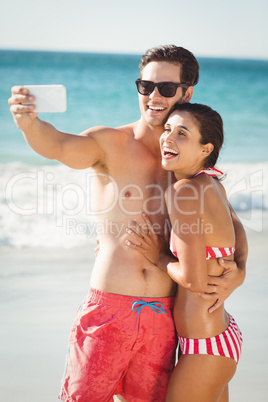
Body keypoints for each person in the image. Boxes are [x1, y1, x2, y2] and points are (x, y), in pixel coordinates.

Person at [8, 45, 247, 402]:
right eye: (145, 86)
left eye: (166, 88)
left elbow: (232, 222)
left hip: (164, 318)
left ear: (187, 92)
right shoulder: (111, 143)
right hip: (110, 312)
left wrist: (240, 269)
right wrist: (30, 123)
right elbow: (57, 144)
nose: (154, 96)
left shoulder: (189, 167)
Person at [126, 102, 247, 402]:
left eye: (182, 133)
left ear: (206, 148)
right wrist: (240, 268)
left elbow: (193, 280)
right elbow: (238, 228)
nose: (168, 137)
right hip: (218, 337)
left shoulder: (183, 192)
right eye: (167, 129)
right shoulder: (212, 184)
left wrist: (159, 256)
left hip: (205, 347)